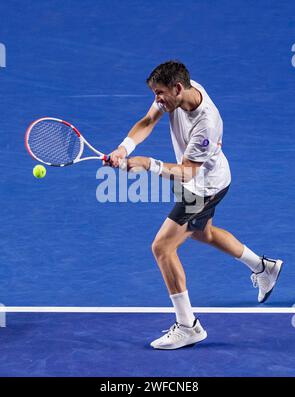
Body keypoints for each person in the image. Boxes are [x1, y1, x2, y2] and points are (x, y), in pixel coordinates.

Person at [107, 60, 283, 350]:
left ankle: (188, 326)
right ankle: (264, 267)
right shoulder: (182, 92)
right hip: (204, 182)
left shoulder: (206, 123)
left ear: (177, 88)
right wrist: (124, 149)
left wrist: (146, 164)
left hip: (203, 188)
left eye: (160, 93)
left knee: (162, 247)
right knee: (203, 233)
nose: (158, 100)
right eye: (155, 94)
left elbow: (188, 171)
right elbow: (148, 121)